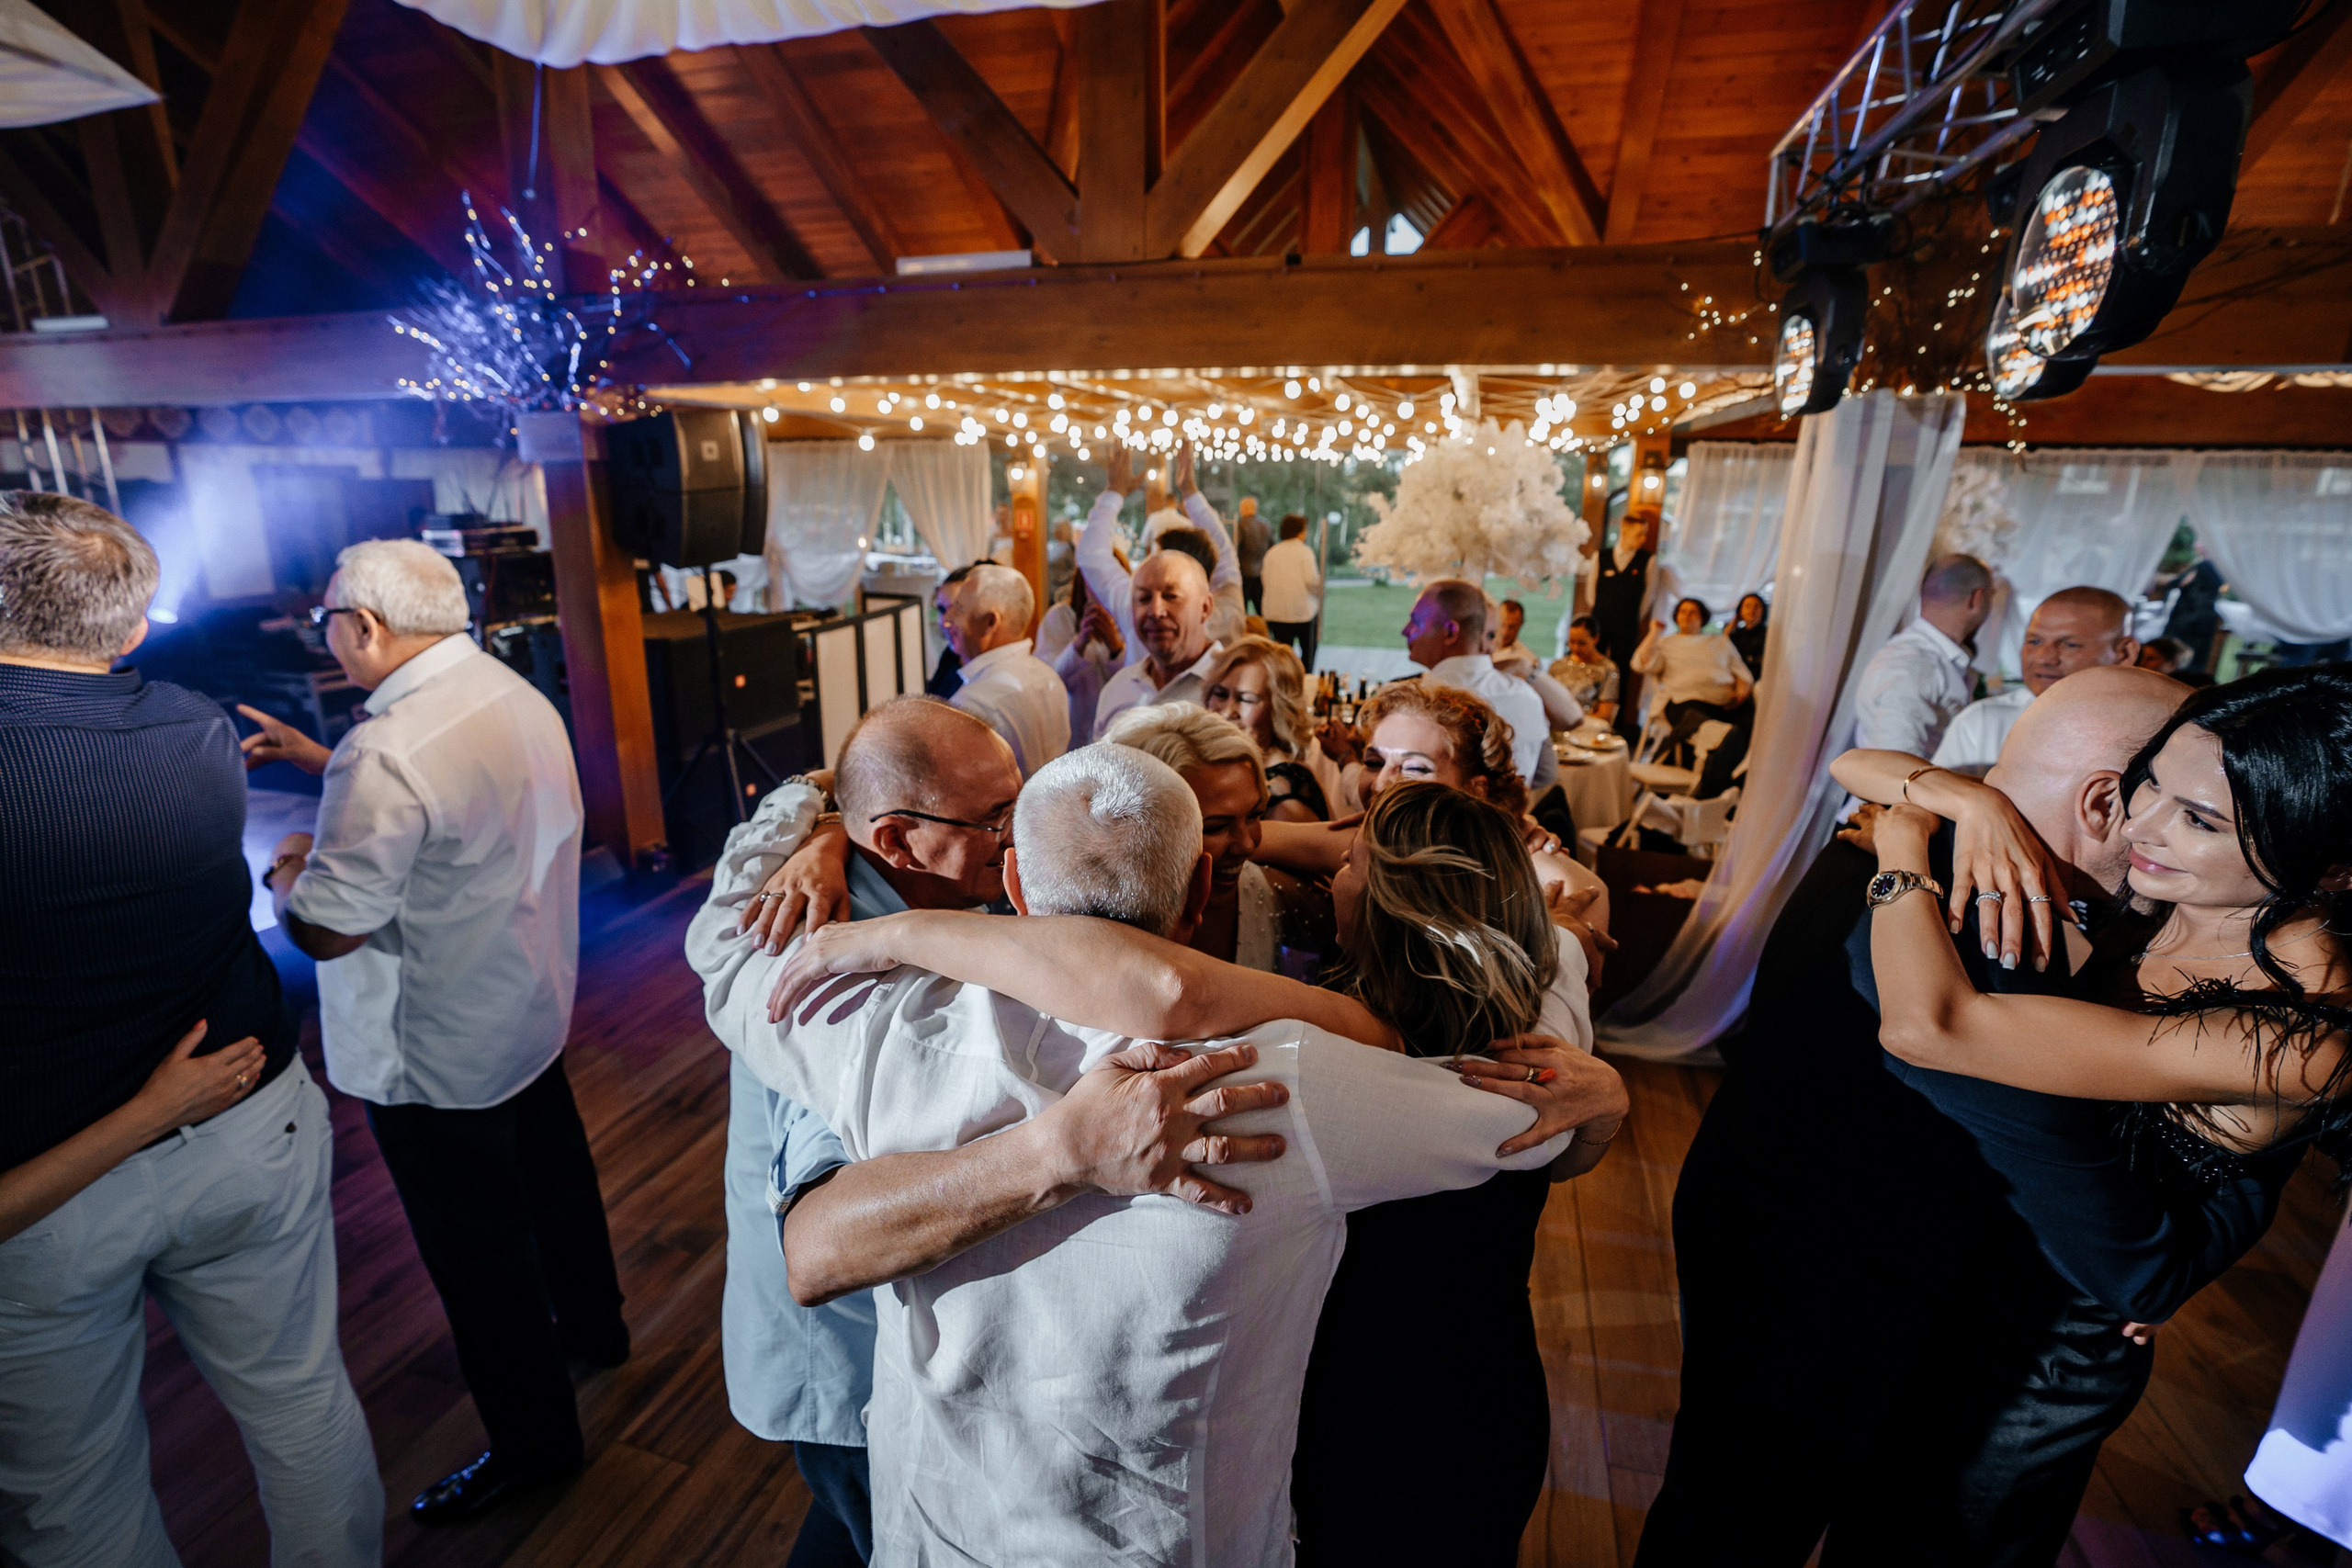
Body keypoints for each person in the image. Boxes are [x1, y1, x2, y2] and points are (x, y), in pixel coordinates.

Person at [697, 750, 1625, 1566]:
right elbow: (1505, 1123)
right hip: (1159, 1540)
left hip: (938, 1521)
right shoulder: (1292, 1083)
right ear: (1196, 893)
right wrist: (1601, 1086)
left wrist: (815, 811)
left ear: (1014, 884)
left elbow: (726, 949)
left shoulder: (880, 1026)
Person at [1640, 665, 2195, 1566]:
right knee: (1746, 1521)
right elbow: (2031, 1135)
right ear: (2104, 802)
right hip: (1846, 1287)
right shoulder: (2002, 919)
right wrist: (2138, 1269)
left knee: (1720, 1509)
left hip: (1757, 1218)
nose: (2172, 854)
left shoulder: (1896, 834)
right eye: (2181, 810)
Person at [1842, 663, 2352, 1563]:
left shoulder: (2304, 1028)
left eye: (2198, 819)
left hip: (2049, 1351)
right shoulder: (2188, 887)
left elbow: (1929, 1028)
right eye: (2147, 785)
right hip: (1980, 1263)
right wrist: (1976, 804)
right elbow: (1857, 764)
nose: (2140, 829)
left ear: (2326, 857)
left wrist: (1900, 851)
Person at [0, 492, 380, 1568]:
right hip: (245, 1111)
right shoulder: (197, 723)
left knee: (77, 1494)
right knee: (301, 1405)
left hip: (50, 1177)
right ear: (130, 629)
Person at [239, 538, 625, 1524]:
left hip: (436, 1048)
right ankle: (598, 1329)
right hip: (525, 1004)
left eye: (327, 615)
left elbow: (328, 926)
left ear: (363, 627)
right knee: (556, 1180)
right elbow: (453, 802)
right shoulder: (507, 692)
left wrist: (287, 862)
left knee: (479, 1257)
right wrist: (325, 764)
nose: (322, 630)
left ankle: (536, 1448)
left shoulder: (387, 749)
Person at [718, 698, 1030, 1564]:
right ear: (895, 841)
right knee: (878, 1529)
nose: (1021, 830)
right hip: (853, 1359)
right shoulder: (819, 967)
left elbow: (841, 786)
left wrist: (824, 818)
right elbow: (822, 1243)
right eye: (996, 818)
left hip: (907, 1335)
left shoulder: (909, 868)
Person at [1930, 585, 2143, 776]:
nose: (2044, 658)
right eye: (2034, 641)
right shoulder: (1984, 722)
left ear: (2124, 653)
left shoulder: (2146, 733)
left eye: (2070, 645)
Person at [1080, 444, 1247, 657]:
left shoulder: (1139, 608)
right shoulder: (1228, 613)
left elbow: (1091, 555)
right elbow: (1225, 557)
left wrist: (1114, 492)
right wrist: (1190, 492)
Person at [1401, 578, 1548, 784]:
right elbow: (1546, 773)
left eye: (1416, 622)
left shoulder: (1419, 703)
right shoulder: (1528, 696)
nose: (1405, 631)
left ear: (1451, 632)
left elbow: (1391, 797)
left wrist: (1347, 759)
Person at [1091, 517, 1223, 739]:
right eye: (1143, 598)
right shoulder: (1118, 689)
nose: (1155, 611)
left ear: (1205, 607)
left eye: (1171, 596)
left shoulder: (1232, 688)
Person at [1852, 552, 1994, 757]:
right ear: (1977, 599)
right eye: (1992, 595)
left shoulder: (1927, 656)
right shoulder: (1913, 664)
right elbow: (1896, 764)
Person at [941, 563, 1069, 779]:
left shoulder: (972, 705)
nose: (947, 620)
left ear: (990, 622)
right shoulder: (1049, 677)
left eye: (959, 608)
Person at [1202, 635, 1335, 821]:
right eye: (1220, 694)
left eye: (1246, 699)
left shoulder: (1286, 800)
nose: (1227, 712)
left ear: (1278, 711)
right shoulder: (1232, 769)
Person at [1630, 596, 1753, 752]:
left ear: (1702, 618)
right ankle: (1717, 739)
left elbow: (1742, 671)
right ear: (1676, 616)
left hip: (1724, 704)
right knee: (1702, 721)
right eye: (1683, 611)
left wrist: (1742, 689)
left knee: (1746, 720)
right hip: (1685, 702)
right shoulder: (1666, 643)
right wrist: (1655, 632)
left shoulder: (1720, 641)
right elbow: (1640, 664)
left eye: (1693, 612)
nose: (1687, 616)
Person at [1589, 515, 1667, 739]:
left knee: (1622, 670)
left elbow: (1647, 597)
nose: (1643, 539)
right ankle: (1590, 712)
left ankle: (1617, 721)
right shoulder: (1601, 557)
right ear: (1624, 531)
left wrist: (1629, 617)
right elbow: (1592, 594)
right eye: (1639, 534)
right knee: (1596, 666)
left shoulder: (1648, 561)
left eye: (1645, 534)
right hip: (1600, 621)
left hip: (1627, 624)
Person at [1260, 513, 1323, 670]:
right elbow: (1311, 581)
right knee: (1308, 651)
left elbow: (1265, 580)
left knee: (1281, 656)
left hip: (1275, 613)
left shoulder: (1272, 552)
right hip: (1301, 613)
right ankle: (1304, 679)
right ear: (1300, 531)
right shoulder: (1305, 552)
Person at [2154, 549, 2224, 673]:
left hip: (2190, 616)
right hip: (2201, 617)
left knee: (2179, 653)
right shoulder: (2214, 568)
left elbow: (2179, 583)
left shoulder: (2204, 567)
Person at [1550, 615, 1621, 725]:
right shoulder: (1557, 666)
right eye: (1571, 642)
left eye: (1582, 643)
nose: (1576, 648)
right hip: (1555, 723)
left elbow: (1605, 713)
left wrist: (1574, 722)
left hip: (1588, 726)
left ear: (1596, 639)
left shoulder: (1607, 669)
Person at [924, 564, 976, 697]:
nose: (945, 622)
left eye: (958, 609)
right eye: (942, 609)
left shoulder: (984, 674)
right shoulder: (951, 656)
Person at [1235, 497, 1271, 615]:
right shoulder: (1266, 525)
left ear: (1244, 508)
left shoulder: (1241, 525)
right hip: (1262, 572)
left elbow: (1236, 547)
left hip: (1244, 573)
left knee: (1242, 608)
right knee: (1261, 609)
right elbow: (1271, 548)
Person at [1727, 592, 1770, 679]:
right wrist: (1732, 625)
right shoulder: (1736, 634)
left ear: (1763, 611)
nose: (1752, 610)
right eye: (1747, 606)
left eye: (1756, 606)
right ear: (1740, 611)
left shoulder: (1768, 634)